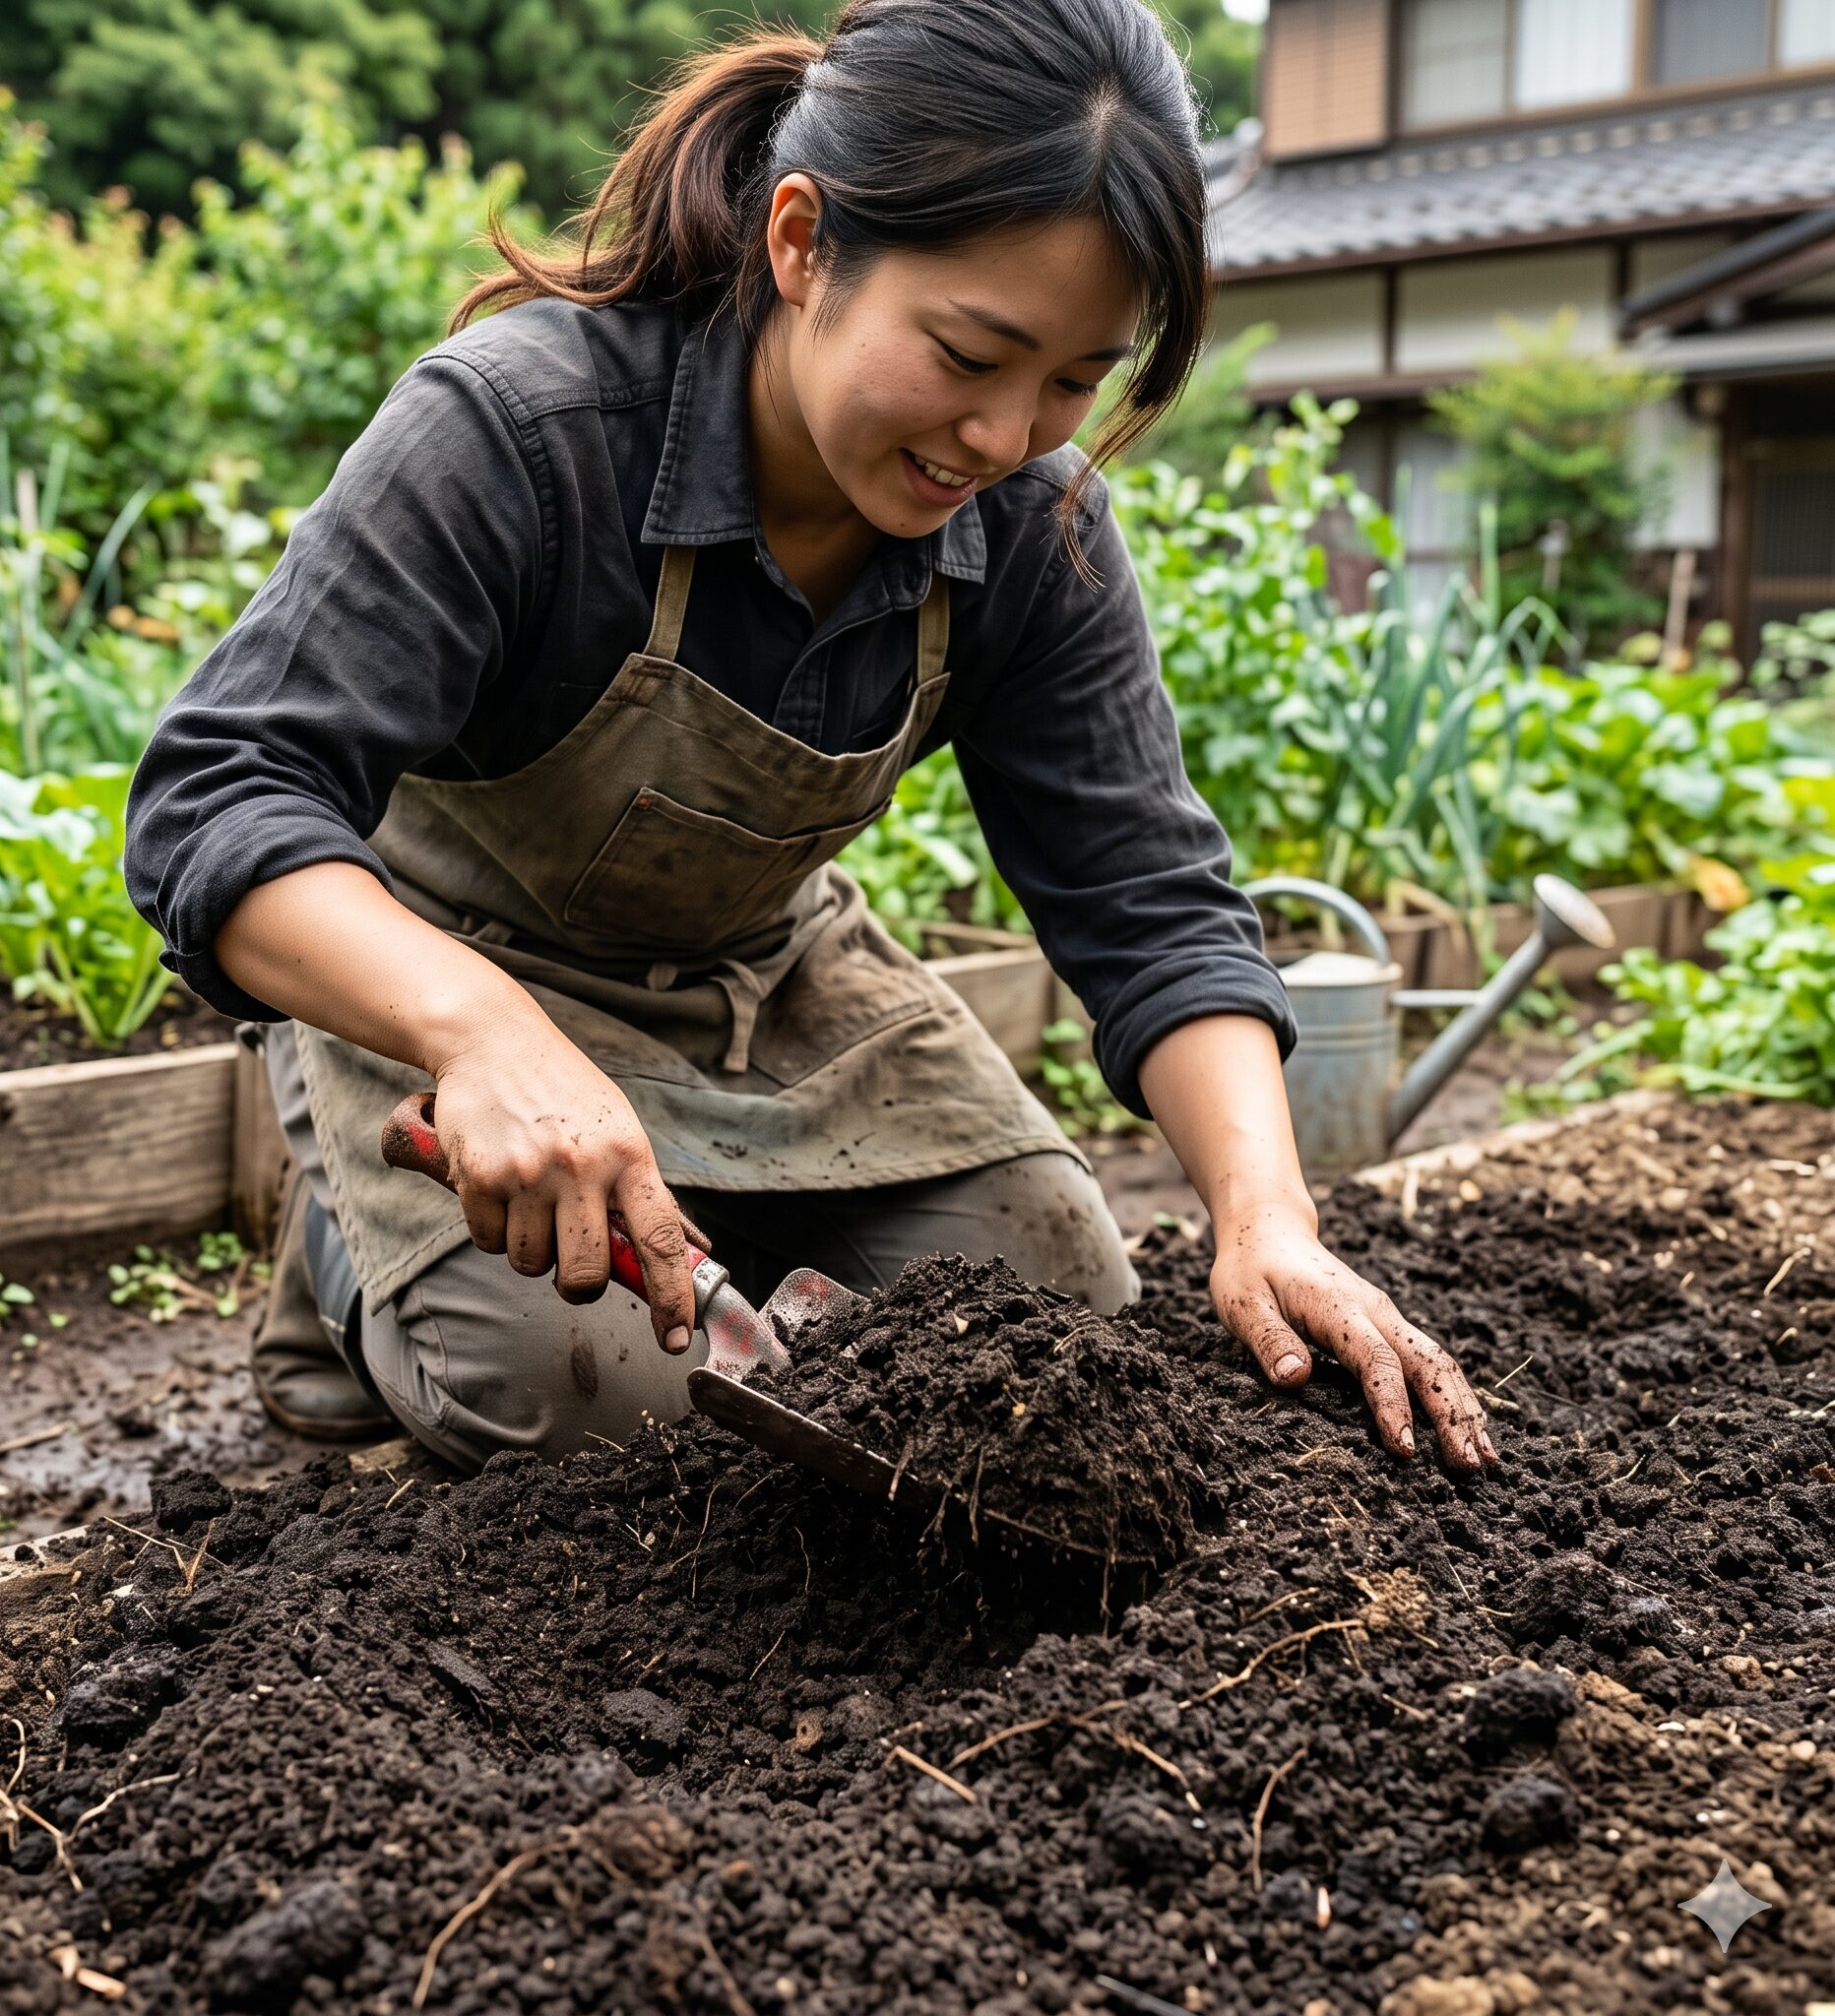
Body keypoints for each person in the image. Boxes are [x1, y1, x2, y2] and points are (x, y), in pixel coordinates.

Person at [125, 0, 1498, 1475]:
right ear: (801, 243)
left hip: (768, 983)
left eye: (1073, 382)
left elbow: (1149, 899)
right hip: (445, 970)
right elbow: (217, 798)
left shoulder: (1030, 533)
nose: (1005, 435)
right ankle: (350, 1237)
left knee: (1056, 1327)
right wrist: (482, 1037)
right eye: (972, 353)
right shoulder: (526, 436)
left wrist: (1265, 1215)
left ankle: (671, 1215)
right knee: (599, 1408)